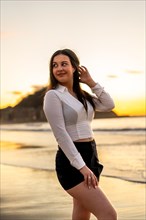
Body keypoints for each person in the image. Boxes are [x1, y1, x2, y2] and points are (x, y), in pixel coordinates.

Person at [43, 48, 117, 220]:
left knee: (81, 216)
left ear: (74, 67)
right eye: (55, 65)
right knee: (109, 214)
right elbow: (61, 135)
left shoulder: (83, 95)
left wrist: (90, 82)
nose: (59, 68)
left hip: (90, 154)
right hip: (72, 162)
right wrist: (82, 167)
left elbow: (109, 105)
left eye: (64, 64)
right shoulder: (53, 96)